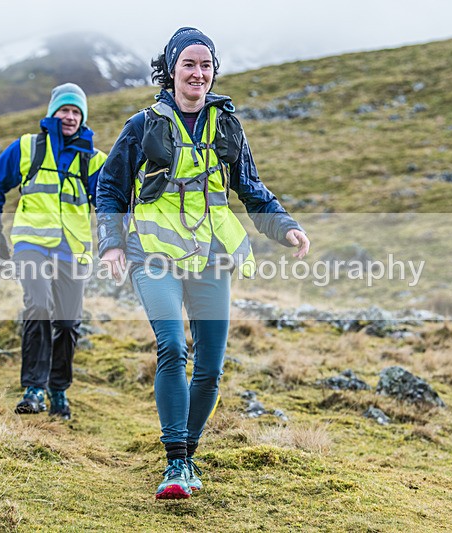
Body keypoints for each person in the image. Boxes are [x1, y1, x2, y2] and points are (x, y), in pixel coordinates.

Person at [96, 27, 309, 499]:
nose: (198, 73)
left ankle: (188, 456)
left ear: (214, 71)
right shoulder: (142, 126)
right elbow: (110, 186)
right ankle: (175, 461)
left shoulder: (227, 126)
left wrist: (284, 226)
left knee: (210, 367)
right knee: (173, 347)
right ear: (171, 70)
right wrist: (111, 243)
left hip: (212, 258)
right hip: (153, 256)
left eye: (206, 65)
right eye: (188, 64)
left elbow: (250, 187)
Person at [0, 83, 107, 419]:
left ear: (83, 118)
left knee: (67, 323)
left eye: (76, 112)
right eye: (64, 110)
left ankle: (57, 389)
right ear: (53, 113)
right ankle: (34, 389)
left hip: (73, 251)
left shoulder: (94, 160)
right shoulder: (27, 147)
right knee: (38, 306)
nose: (70, 116)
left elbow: (110, 202)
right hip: (31, 245)